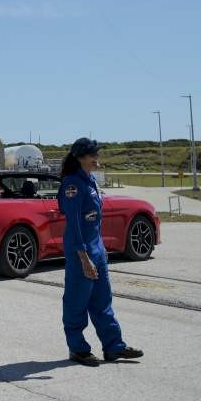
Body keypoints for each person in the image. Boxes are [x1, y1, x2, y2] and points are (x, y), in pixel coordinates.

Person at [59, 138, 144, 366]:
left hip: (96, 251)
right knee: (77, 302)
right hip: (81, 254)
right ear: (81, 157)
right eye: (94, 154)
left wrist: (101, 250)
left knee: (102, 301)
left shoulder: (90, 181)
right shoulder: (72, 185)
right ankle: (77, 349)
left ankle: (113, 347)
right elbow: (75, 224)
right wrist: (84, 257)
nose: (98, 158)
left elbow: (93, 222)